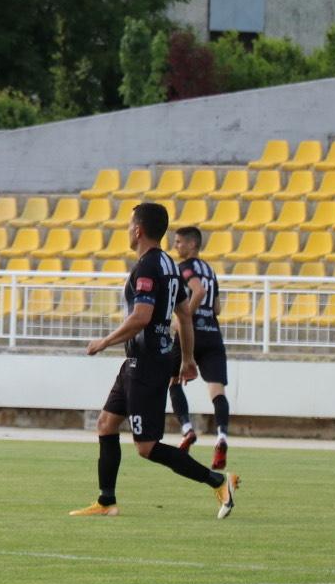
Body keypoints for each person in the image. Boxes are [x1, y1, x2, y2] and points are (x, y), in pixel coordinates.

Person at [71, 202, 239, 520]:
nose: (127, 230)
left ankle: (218, 481)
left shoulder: (147, 267)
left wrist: (104, 342)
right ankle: (107, 501)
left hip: (147, 365)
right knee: (106, 424)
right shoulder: (169, 265)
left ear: (138, 230)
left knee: (146, 447)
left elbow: (141, 317)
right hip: (138, 363)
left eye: (129, 225)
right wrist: (186, 359)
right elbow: (184, 315)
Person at [167, 225, 231, 471]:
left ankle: (187, 430)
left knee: (173, 382)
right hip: (212, 335)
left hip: (190, 334)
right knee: (217, 391)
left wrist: (183, 318)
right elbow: (217, 308)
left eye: (179, 242)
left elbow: (199, 291)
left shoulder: (185, 267)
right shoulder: (210, 270)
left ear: (192, 244)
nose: (176, 246)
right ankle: (222, 436)